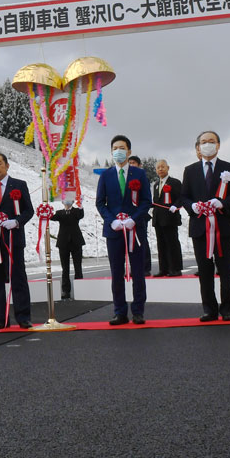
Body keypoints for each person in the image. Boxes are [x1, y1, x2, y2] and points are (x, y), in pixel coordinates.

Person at [181, 131, 230, 321]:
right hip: (200, 228)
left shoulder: (229, 168)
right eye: (203, 142)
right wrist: (192, 206)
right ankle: (209, 309)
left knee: (226, 269)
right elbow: (184, 196)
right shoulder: (190, 170)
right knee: (205, 270)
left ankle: (227, 309)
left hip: (224, 228)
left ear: (218, 145)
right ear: (198, 147)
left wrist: (222, 203)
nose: (207, 144)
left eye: (211, 141)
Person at [96, 136, 152, 324]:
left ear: (128, 151)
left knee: (138, 271)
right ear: (111, 152)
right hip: (114, 231)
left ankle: (138, 311)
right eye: (115, 148)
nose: (118, 151)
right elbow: (100, 203)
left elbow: (146, 201)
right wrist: (111, 221)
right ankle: (120, 311)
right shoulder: (105, 175)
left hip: (135, 230)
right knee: (116, 272)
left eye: (122, 148)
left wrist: (133, 219)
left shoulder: (139, 174)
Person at [0, 152, 35, 329]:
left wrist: (16, 222)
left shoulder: (18, 185)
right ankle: (0, 318)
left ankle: (23, 317)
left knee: (18, 278)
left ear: (7, 166)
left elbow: (29, 211)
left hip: (13, 240)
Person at [151, 159, 183, 277]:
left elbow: (181, 198)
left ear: (168, 168)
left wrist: (176, 205)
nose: (160, 169)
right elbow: (156, 201)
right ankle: (163, 269)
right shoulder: (155, 185)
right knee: (161, 244)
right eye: (158, 167)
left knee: (172, 243)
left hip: (170, 218)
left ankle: (175, 268)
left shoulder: (175, 182)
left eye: (162, 167)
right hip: (158, 219)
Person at [52, 195, 85, 299]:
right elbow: (51, 217)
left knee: (78, 267)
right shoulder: (59, 213)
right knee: (65, 268)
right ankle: (66, 291)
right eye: (65, 200)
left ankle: (81, 290)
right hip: (63, 243)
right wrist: (44, 209)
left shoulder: (76, 211)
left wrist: (80, 204)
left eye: (69, 200)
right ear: (62, 202)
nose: (67, 202)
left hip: (76, 242)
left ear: (73, 201)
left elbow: (81, 215)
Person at [127, 155, 152, 275]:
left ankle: (145, 267)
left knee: (142, 241)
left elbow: (146, 198)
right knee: (130, 242)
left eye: (134, 163)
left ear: (139, 165)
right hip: (127, 216)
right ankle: (133, 267)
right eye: (129, 163)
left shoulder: (142, 177)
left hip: (140, 215)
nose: (131, 165)